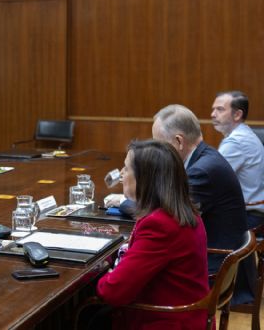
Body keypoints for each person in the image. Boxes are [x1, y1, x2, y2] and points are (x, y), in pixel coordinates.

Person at [116, 104, 253, 304]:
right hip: (210, 255)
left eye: (158, 144)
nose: (155, 151)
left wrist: (125, 200)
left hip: (212, 265)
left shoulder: (202, 171)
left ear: (178, 141)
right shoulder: (204, 158)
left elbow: (164, 214)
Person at [95, 140, 210, 329]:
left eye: (126, 168)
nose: (122, 174)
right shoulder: (182, 210)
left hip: (166, 321)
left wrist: (108, 276)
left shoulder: (160, 224)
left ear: (145, 178)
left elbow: (112, 292)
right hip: (190, 316)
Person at [211, 91, 264, 229]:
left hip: (248, 217)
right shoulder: (242, 134)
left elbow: (210, 178)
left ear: (237, 114)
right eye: (213, 109)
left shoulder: (237, 142)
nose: (213, 114)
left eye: (220, 109)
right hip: (250, 213)